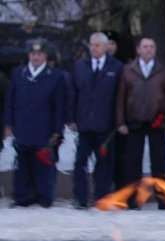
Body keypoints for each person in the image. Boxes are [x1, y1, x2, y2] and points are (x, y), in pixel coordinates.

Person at [2, 38, 66, 208]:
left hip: (44, 127)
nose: (35, 57)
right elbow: (10, 100)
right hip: (22, 126)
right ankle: (22, 197)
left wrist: (57, 129)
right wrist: (8, 123)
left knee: (43, 165)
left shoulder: (55, 76)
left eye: (39, 54)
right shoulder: (18, 73)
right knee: (22, 164)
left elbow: (59, 105)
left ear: (45, 55)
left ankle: (44, 197)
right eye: (33, 54)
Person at [115, 36, 165, 207]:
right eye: (145, 46)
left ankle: (163, 200)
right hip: (134, 120)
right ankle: (132, 200)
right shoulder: (128, 70)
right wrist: (120, 121)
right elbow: (121, 98)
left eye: (152, 46)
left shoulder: (164, 70)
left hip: (157, 121)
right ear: (138, 50)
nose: (149, 49)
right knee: (132, 162)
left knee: (159, 163)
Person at [67, 32, 123, 208]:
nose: (94, 48)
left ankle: (102, 197)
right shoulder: (79, 66)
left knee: (104, 163)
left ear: (106, 47)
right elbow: (72, 94)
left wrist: (118, 121)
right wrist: (71, 118)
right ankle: (81, 198)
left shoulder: (117, 67)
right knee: (80, 162)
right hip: (84, 124)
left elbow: (119, 98)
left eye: (98, 45)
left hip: (105, 125)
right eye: (91, 45)